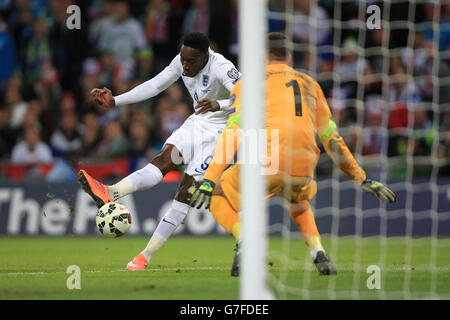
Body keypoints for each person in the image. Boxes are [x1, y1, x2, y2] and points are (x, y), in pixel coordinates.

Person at [187, 32, 397, 276]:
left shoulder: (249, 83)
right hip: (305, 166)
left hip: (268, 162)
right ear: (287, 56)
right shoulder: (311, 84)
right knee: (297, 198)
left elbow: (233, 131)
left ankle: (246, 242)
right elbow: (332, 138)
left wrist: (210, 180)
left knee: (218, 195)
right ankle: (317, 250)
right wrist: (360, 177)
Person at [78, 32, 241, 270]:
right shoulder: (181, 60)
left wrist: (220, 104)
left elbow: (249, 95)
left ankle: (146, 255)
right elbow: (155, 85)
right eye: (183, 59)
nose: (184, 65)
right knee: (163, 160)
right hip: (196, 124)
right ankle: (112, 192)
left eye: (190, 61)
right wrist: (116, 101)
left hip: (220, 134)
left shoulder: (222, 67)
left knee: (185, 191)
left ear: (205, 57)